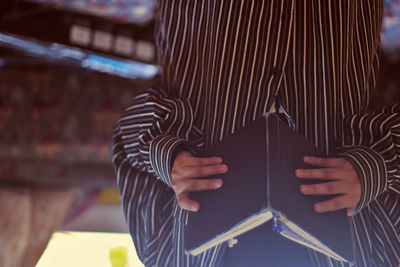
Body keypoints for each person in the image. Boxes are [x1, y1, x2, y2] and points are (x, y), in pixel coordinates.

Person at [113, 0, 400, 266]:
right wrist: (373, 170)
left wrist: (170, 158)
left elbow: (127, 140)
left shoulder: (165, 258)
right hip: (332, 21)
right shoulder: (378, 259)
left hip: (208, 22)